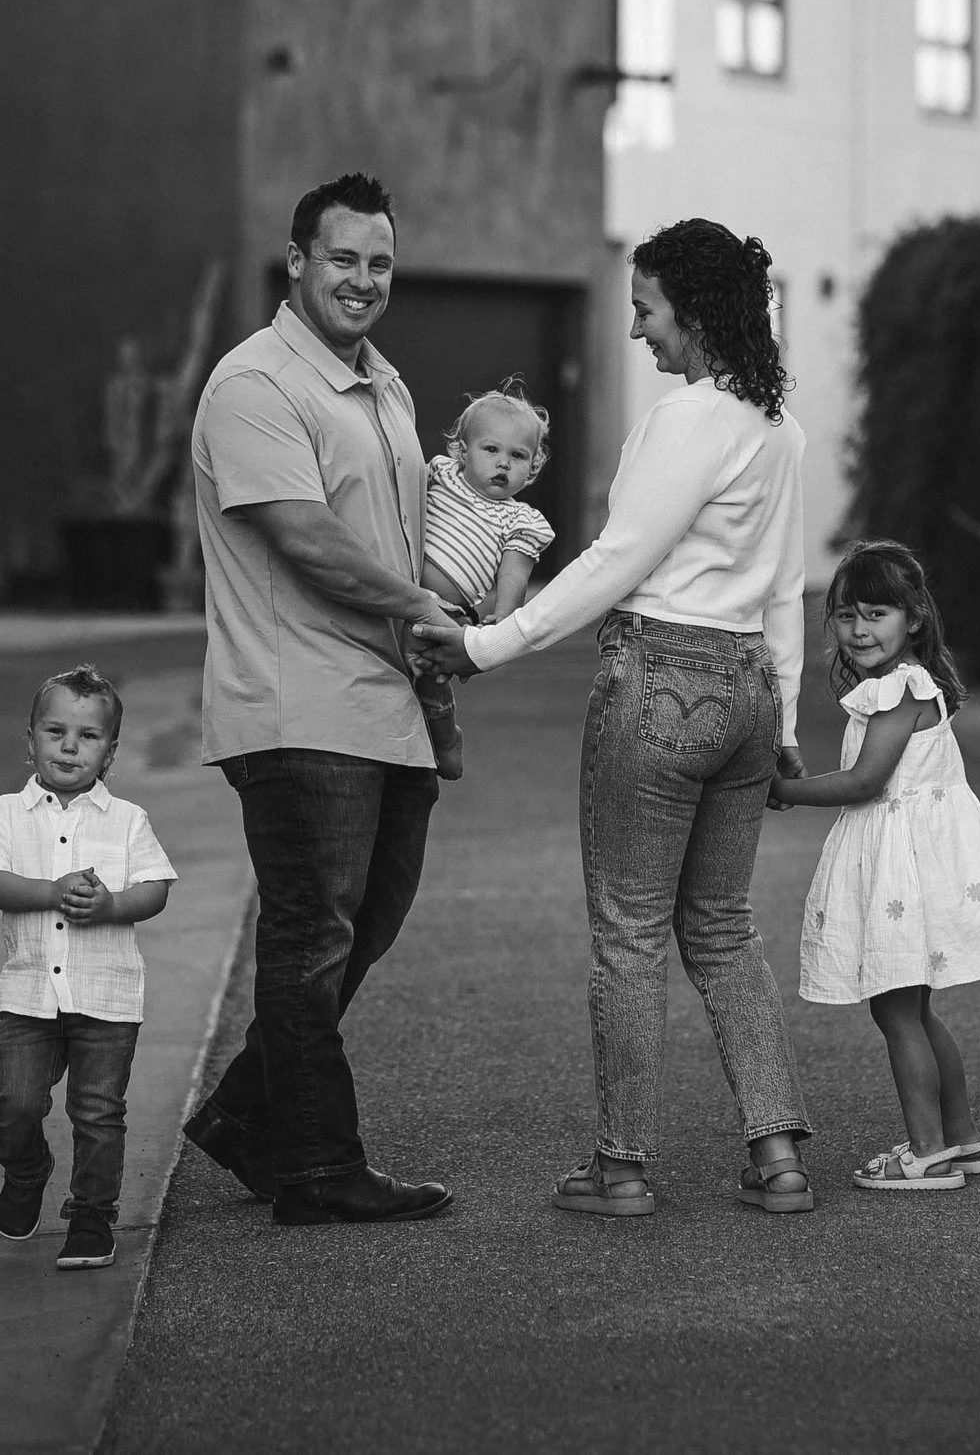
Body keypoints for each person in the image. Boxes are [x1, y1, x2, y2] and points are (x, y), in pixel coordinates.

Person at [413, 219, 815, 1217]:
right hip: (750, 690)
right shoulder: (779, 427)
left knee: (629, 932)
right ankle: (777, 1159)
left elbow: (615, 559)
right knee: (721, 927)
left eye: (645, 309)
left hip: (662, 679)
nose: (636, 330)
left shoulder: (687, 421)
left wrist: (486, 643)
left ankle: (622, 1165)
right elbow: (785, 590)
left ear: (692, 308)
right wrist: (791, 724)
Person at [180, 171, 456, 1227]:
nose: (362, 279)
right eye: (342, 258)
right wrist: (430, 611)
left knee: (362, 929)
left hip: (385, 705)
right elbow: (303, 537)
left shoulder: (385, 386)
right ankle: (317, 1164)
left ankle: (252, 1118)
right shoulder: (254, 385)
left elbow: (398, 530)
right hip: (296, 709)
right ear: (296, 261)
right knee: (311, 940)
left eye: (380, 262)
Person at [770, 540, 980, 1191]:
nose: (858, 629)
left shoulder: (899, 688)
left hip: (901, 871)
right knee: (916, 1010)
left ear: (914, 617)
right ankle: (962, 1139)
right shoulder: (901, 684)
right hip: (911, 863)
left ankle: (927, 1149)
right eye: (846, 615)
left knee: (898, 1012)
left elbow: (865, 782)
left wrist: (784, 790)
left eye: (875, 613)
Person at [0, 666, 176, 1269]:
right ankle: (27, 1169)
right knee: (15, 1102)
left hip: (106, 999)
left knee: (98, 1112)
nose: (68, 746)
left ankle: (91, 1214)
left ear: (110, 751)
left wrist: (110, 904)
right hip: (30, 995)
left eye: (87, 737)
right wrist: (51, 891)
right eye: (55, 731)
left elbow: (156, 889)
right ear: (29, 738)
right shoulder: (6, 813)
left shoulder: (128, 820)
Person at [415, 379, 558, 779]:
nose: (503, 463)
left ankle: (446, 738)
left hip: (448, 611)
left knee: (432, 673)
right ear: (461, 451)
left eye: (518, 455)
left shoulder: (521, 519)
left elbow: (516, 569)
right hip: (403, 589)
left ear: (533, 466)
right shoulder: (441, 475)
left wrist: (504, 614)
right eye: (491, 450)